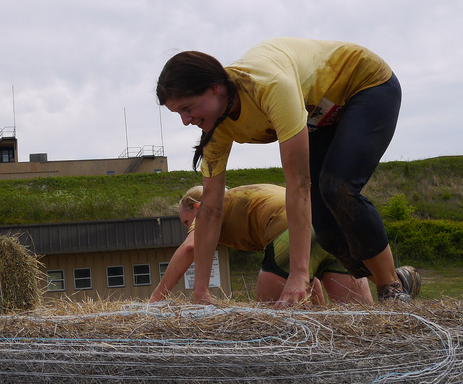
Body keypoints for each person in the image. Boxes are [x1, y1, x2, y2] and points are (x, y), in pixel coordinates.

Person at [156, 37, 416, 305]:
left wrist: (299, 274)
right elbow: (210, 208)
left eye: (187, 108)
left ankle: (391, 291)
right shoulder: (216, 125)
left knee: (336, 187)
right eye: (179, 114)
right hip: (320, 115)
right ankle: (397, 278)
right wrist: (201, 292)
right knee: (325, 228)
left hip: (365, 85)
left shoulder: (269, 86)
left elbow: (299, 184)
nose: (186, 121)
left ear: (215, 88)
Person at [149, 183, 376, 305]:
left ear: (197, 208)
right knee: (362, 321)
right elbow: (308, 270)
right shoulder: (244, 199)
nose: (188, 228)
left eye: (187, 221)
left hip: (293, 231)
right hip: (333, 223)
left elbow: (190, 247)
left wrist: (156, 299)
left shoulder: (209, 211)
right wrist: (318, 310)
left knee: (269, 325)